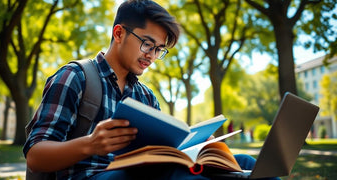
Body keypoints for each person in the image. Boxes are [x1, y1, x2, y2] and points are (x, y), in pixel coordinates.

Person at [23, 0, 278, 179]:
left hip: (138, 172)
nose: (152, 56)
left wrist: (195, 146)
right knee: (175, 174)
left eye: (159, 50)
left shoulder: (145, 96)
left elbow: (161, 152)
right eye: (147, 44)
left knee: (242, 163)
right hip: (89, 176)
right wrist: (90, 144)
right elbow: (35, 156)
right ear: (119, 33)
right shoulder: (74, 77)